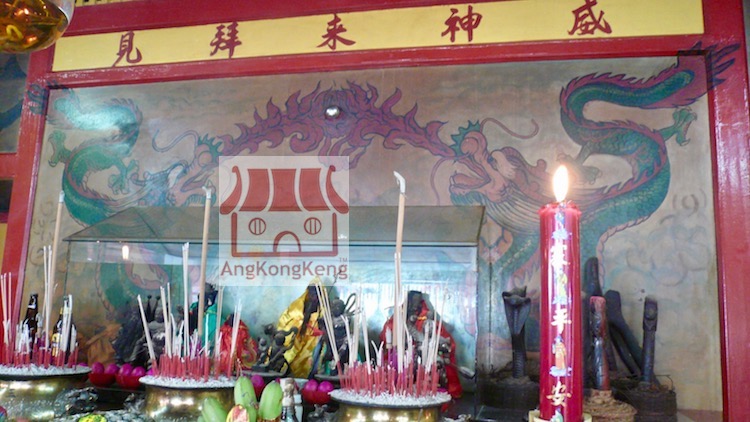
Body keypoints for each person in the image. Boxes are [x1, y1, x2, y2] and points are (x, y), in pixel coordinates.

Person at [379, 290, 463, 398]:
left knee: (436, 365)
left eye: (417, 301)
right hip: (404, 359)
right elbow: (388, 339)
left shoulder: (428, 321)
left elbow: (445, 342)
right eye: (412, 301)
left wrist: (442, 349)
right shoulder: (397, 320)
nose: (415, 305)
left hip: (426, 358)